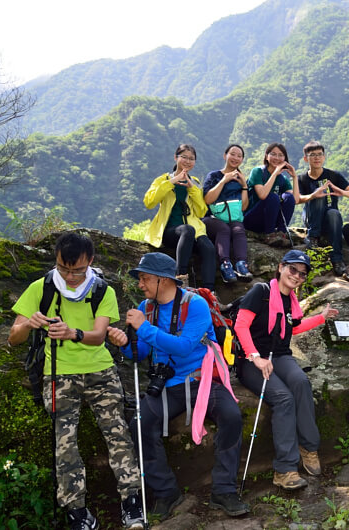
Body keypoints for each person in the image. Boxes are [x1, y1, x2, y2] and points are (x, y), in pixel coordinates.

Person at [8, 232, 144, 530]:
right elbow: (13, 337)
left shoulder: (100, 290)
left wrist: (73, 334)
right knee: (64, 442)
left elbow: (98, 337)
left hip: (101, 371)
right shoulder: (41, 288)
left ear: (90, 262)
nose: (70, 276)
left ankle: (132, 502)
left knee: (118, 433)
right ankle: (76, 510)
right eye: (63, 268)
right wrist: (29, 324)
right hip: (58, 373)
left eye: (77, 270)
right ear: (55, 261)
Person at [108, 252, 249, 520]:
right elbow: (141, 353)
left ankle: (224, 490)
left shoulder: (194, 305)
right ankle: (167, 493)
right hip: (167, 384)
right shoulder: (147, 307)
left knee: (231, 416)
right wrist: (124, 344)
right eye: (140, 279)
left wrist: (143, 328)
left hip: (200, 379)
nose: (141, 284)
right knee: (140, 424)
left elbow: (184, 347)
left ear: (163, 280)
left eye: (145, 278)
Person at [233, 250, 338, 490]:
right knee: (283, 398)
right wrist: (256, 357)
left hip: (279, 355)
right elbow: (240, 324)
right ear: (281, 267)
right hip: (251, 359)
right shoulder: (261, 292)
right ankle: (284, 469)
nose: (297, 276)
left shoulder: (289, 300)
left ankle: (309, 448)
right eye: (293, 269)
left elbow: (293, 329)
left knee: (301, 382)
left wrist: (321, 317)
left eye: (302, 274)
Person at [143, 144, 217, 290]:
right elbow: (149, 202)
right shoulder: (163, 179)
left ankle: (210, 292)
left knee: (209, 248)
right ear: (176, 157)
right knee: (187, 230)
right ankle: (180, 277)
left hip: (194, 230)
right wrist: (172, 181)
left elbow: (201, 211)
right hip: (170, 230)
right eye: (184, 157)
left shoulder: (194, 181)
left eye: (191, 158)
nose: (187, 161)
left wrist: (192, 188)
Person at [296, 140, 349, 277]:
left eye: (319, 154)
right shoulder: (302, 179)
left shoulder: (333, 176)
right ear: (306, 158)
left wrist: (343, 192)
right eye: (312, 155)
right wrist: (313, 195)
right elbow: (296, 199)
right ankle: (313, 237)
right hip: (311, 218)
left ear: (324, 157)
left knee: (334, 213)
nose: (317, 157)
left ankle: (337, 260)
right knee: (320, 194)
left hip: (330, 221)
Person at [202, 144, 253, 283]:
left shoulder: (241, 179)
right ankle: (225, 265)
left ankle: (241, 264)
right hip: (211, 219)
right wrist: (224, 181)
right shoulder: (213, 176)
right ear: (225, 156)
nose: (236, 158)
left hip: (233, 218)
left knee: (238, 229)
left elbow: (243, 207)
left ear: (242, 160)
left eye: (239, 156)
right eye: (233, 154)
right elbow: (208, 199)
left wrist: (244, 185)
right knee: (224, 229)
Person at [244, 142, 300, 247]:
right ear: (266, 156)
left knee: (288, 197)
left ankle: (281, 234)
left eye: (280, 155)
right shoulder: (258, 172)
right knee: (273, 197)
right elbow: (262, 195)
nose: (277, 158)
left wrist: (295, 177)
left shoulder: (283, 179)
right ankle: (269, 235)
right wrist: (275, 173)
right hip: (251, 219)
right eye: (273, 154)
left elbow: (295, 200)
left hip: (269, 220)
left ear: (285, 159)